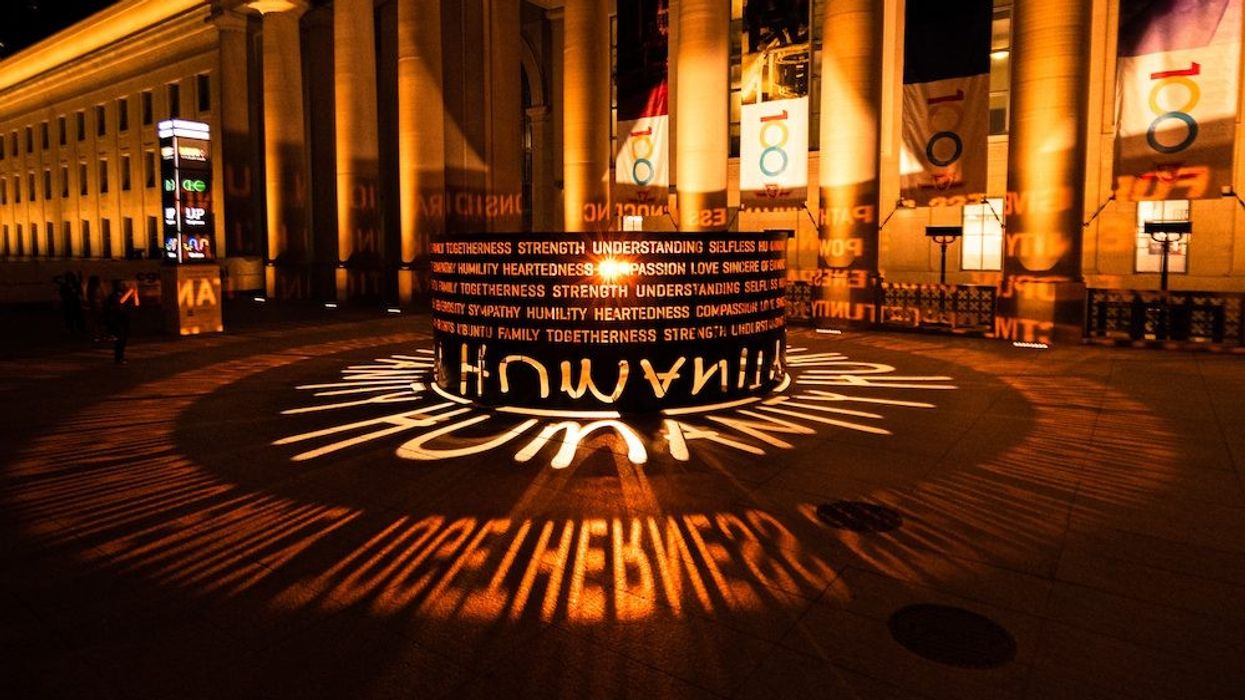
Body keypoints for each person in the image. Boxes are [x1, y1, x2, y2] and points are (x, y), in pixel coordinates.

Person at [104, 281, 133, 364]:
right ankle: (118, 358)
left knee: (123, 340)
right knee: (120, 339)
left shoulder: (123, 294)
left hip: (124, 319)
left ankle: (120, 357)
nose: (123, 286)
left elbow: (134, 304)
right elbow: (119, 303)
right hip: (117, 320)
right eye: (121, 285)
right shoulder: (114, 296)